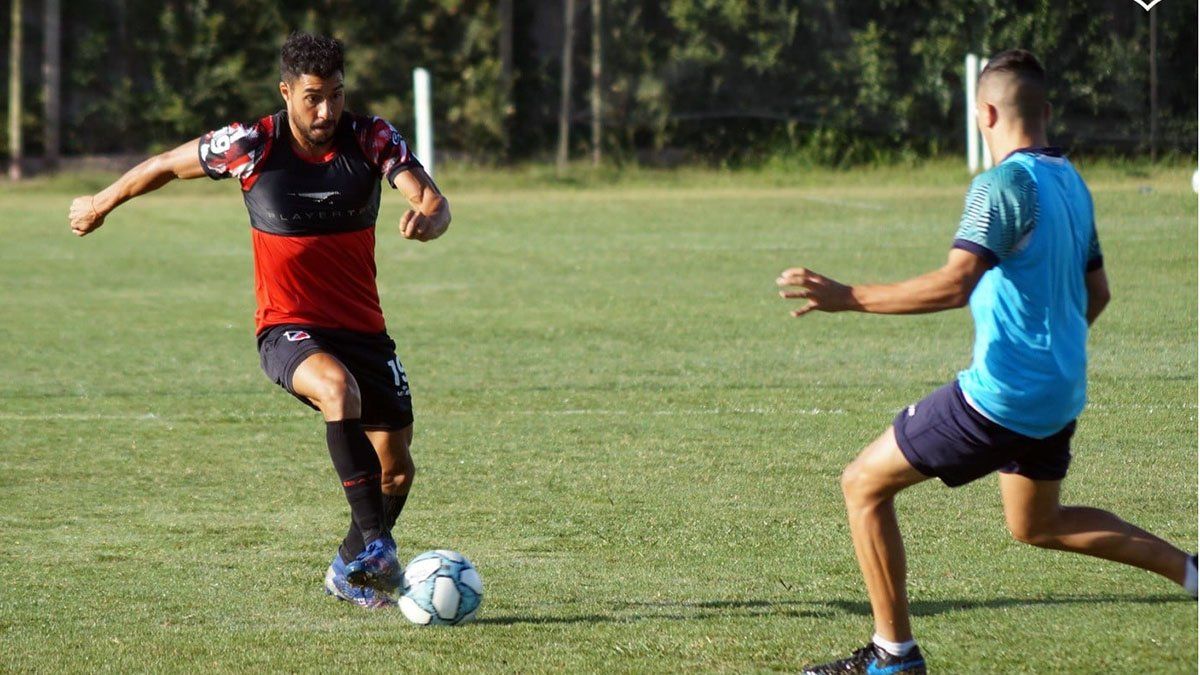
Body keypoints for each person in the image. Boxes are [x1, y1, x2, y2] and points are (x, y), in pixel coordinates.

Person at [777, 49, 1196, 674]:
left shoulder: (1001, 185)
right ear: (1046, 112)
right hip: (1058, 392)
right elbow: (1098, 292)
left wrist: (849, 297)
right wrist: (1049, 357)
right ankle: (1192, 572)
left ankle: (893, 656)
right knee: (1038, 523)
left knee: (862, 484)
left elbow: (955, 285)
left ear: (987, 113)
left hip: (1002, 397)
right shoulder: (1072, 183)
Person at [67, 32, 450, 609]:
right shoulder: (251, 143)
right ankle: (377, 545)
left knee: (396, 472)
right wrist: (100, 202)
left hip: (365, 331)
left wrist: (428, 218)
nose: (326, 111)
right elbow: (167, 165)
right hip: (288, 327)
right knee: (335, 389)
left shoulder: (371, 137)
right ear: (286, 92)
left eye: (337, 95)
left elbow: (434, 201)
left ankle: (349, 569)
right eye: (313, 98)